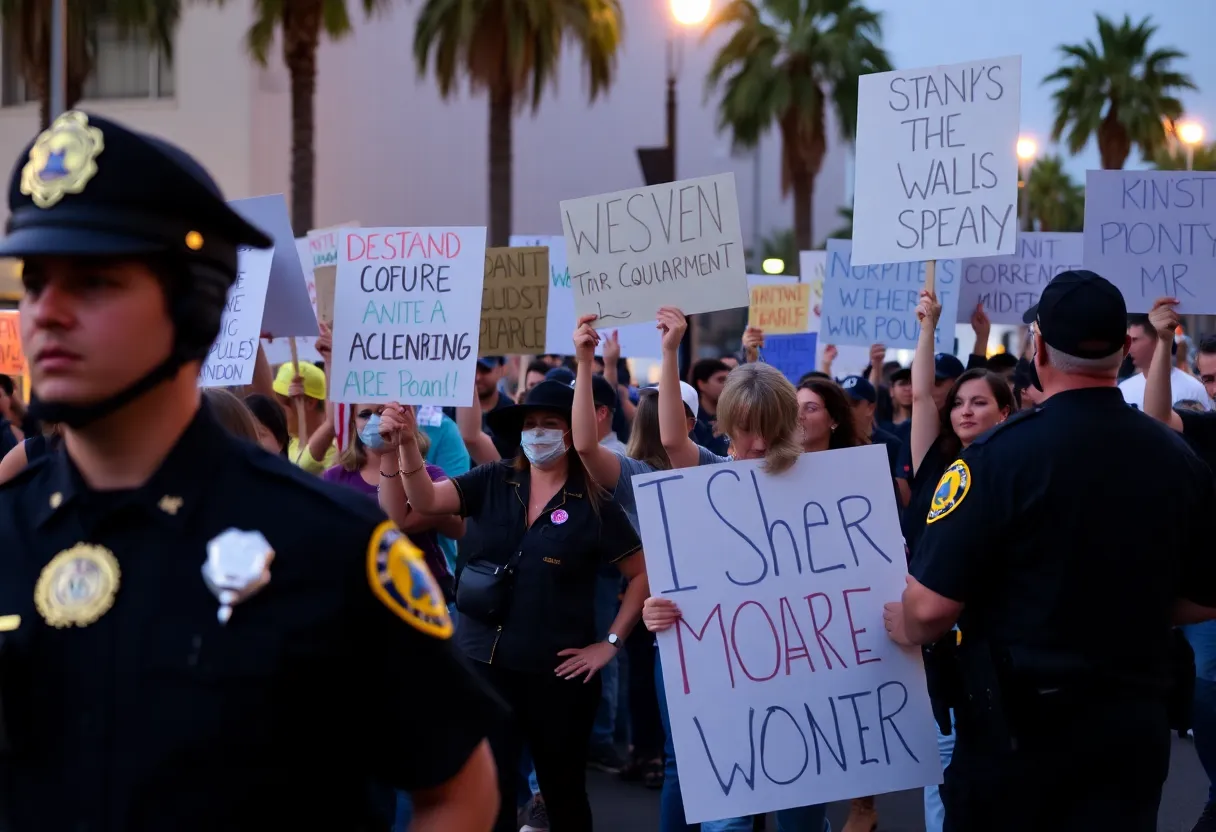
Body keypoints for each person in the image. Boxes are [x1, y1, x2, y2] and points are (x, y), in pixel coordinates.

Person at [0, 110, 499, 831]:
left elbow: (458, 791)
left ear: (194, 307)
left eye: (95, 282)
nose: (47, 311)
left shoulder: (332, 546)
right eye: (38, 280)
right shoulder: (10, 532)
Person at [884, 270, 1216, 830]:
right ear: (1121, 349)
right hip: (1130, 728)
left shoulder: (991, 460)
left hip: (1017, 733)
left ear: (1037, 348)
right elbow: (1207, 595)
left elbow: (930, 609)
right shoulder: (1177, 458)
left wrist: (906, 623)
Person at [382, 380, 649, 832]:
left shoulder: (595, 502)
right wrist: (406, 446)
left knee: (562, 791)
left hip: (558, 673)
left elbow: (642, 573)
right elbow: (423, 501)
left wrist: (609, 643)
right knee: (494, 789)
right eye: (531, 424)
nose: (538, 432)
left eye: (550, 424)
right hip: (482, 663)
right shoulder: (494, 479)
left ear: (570, 433)